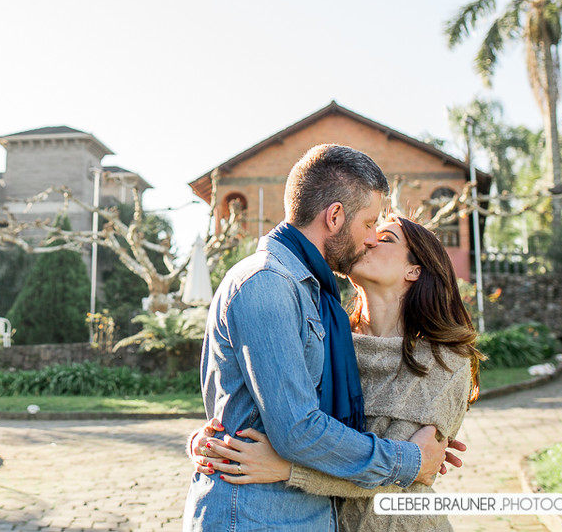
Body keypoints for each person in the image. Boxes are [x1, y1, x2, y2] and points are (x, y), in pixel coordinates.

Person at [183, 144, 462, 532]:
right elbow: (298, 429)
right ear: (334, 216)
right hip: (258, 517)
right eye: (369, 225)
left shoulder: (314, 297)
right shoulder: (269, 284)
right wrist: (409, 461)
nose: (370, 239)